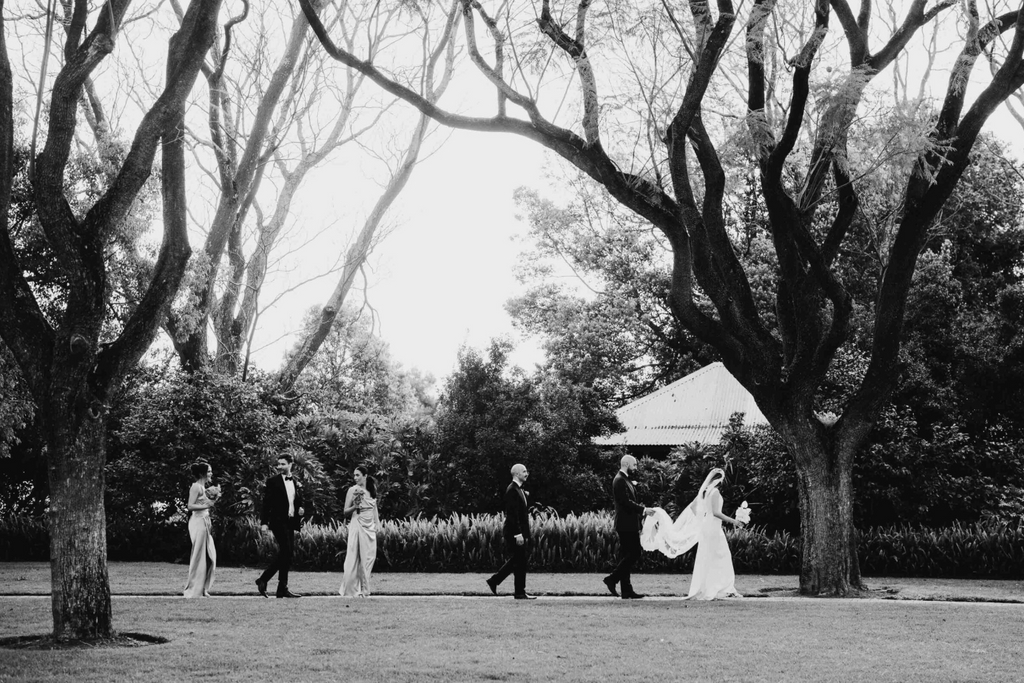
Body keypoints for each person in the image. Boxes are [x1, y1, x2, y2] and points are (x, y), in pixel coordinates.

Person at [641, 467, 746, 600]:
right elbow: (716, 512)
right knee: (721, 556)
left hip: (707, 527)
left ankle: (714, 587)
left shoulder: (704, 492)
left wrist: (701, 520)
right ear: (719, 480)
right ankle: (722, 587)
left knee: (709, 557)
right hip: (713, 528)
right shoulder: (714, 492)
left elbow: (693, 507)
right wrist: (734, 521)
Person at [603, 455, 655, 599]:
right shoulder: (619, 480)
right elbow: (625, 502)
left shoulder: (624, 480)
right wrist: (644, 510)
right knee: (635, 553)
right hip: (625, 524)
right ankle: (612, 578)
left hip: (629, 523)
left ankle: (626, 590)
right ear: (626, 464)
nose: (636, 468)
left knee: (627, 555)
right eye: (634, 465)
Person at [256, 453, 306, 598]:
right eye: (279, 464)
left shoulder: (295, 482)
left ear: (291, 464)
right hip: (278, 521)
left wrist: (300, 510)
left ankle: (281, 588)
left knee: (288, 554)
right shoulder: (273, 482)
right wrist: (264, 523)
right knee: (287, 551)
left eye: (283, 464)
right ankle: (264, 579)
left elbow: (296, 502)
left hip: (291, 521)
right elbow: (266, 504)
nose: (280, 467)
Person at [486, 463, 535, 600]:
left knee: (518, 561)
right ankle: (517, 591)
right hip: (514, 532)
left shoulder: (518, 489)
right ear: (517, 474)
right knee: (518, 561)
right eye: (524, 471)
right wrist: (518, 534)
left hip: (519, 532)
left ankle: (499, 583)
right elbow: (512, 515)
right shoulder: (512, 490)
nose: (527, 473)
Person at [340, 465, 381, 597]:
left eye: (358, 475)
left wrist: (377, 522)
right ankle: (356, 590)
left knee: (369, 557)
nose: (355, 478)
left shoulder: (371, 489)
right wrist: (355, 506)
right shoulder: (353, 490)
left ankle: (365, 588)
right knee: (355, 556)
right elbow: (345, 512)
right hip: (357, 524)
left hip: (370, 526)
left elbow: (374, 507)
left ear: (365, 476)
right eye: (354, 475)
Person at [183, 461, 219, 598]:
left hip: (205, 521)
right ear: (202, 473)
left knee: (210, 556)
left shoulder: (205, 488)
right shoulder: (196, 487)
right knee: (199, 556)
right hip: (198, 522)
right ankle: (193, 589)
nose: (211, 474)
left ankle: (203, 587)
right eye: (209, 471)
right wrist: (208, 505)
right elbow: (190, 506)